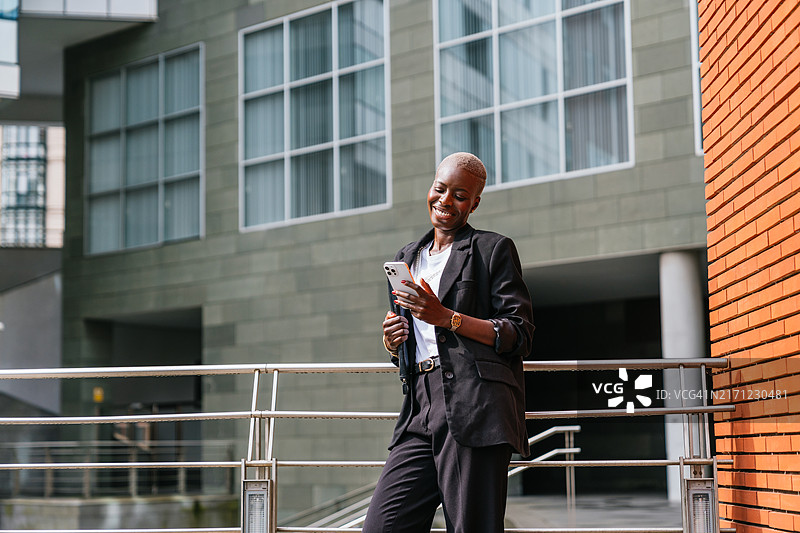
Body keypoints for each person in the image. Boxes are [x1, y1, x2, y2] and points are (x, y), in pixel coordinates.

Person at [363, 152, 534, 533]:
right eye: (440, 189)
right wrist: (394, 343)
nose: (445, 200)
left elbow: (519, 333)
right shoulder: (407, 257)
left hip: (476, 404)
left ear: (474, 203)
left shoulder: (492, 250)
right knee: (382, 526)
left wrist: (447, 317)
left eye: (459, 195)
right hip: (418, 409)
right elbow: (416, 340)